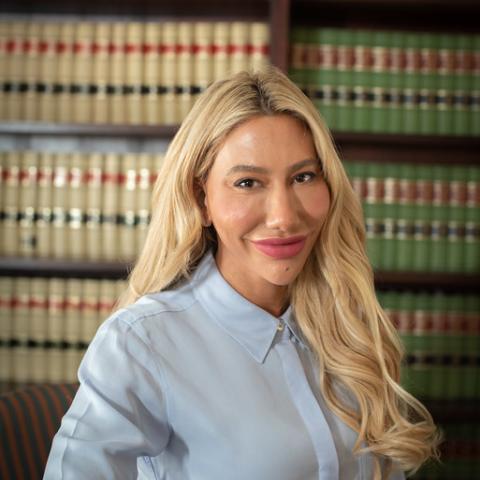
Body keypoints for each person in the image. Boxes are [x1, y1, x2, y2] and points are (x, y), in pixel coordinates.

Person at [44, 66, 440, 480]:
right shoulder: (141, 344)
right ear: (201, 200)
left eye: (303, 177)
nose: (284, 218)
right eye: (248, 183)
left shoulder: (348, 327)